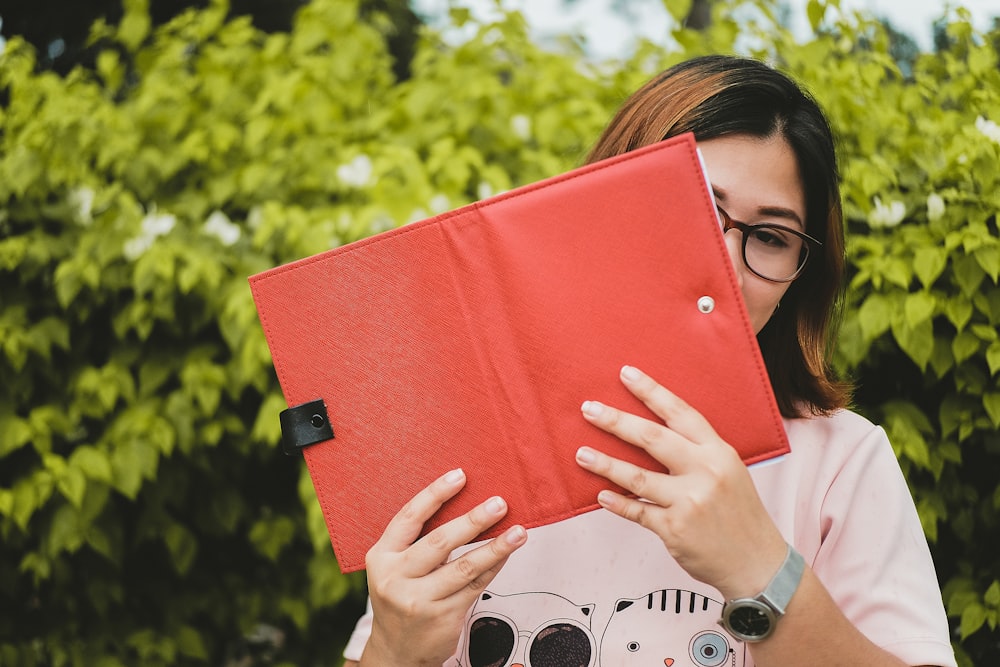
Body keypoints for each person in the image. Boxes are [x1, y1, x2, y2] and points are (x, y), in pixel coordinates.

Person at [341, 55, 957, 667]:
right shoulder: (465, 447)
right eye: (694, 210)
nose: (722, 266)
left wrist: (760, 567)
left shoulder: (841, 462)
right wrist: (393, 650)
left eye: (770, 236)